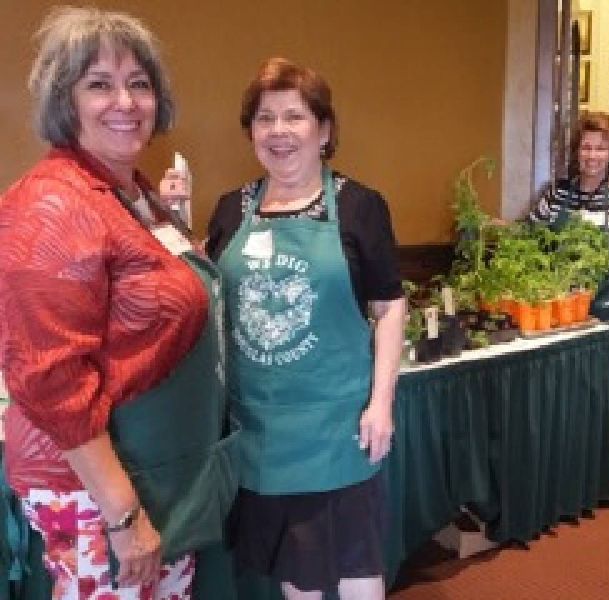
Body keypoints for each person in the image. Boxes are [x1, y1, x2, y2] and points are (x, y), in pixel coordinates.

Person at [0, 7, 236, 598]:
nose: (125, 102)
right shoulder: (53, 204)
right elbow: (51, 380)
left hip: (159, 469)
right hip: (96, 490)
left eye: (139, 83)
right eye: (99, 84)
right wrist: (124, 517)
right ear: (65, 100)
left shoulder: (134, 192)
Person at [204, 57, 405, 599]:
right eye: (264, 118)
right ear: (251, 132)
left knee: (355, 563)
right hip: (261, 430)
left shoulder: (361, 207)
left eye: (294, 116)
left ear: (324, 130)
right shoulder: (229, 211)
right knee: (296, 569)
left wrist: (381, 402)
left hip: (338, 426)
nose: (279, 131)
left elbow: (389, 308)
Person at [531, 111, 609, 283]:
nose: (592, 155)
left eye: (601, 149)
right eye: (586, 147)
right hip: (560, 291)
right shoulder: (557, 191)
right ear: (577, 151)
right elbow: (531, 233)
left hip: (608, 294)